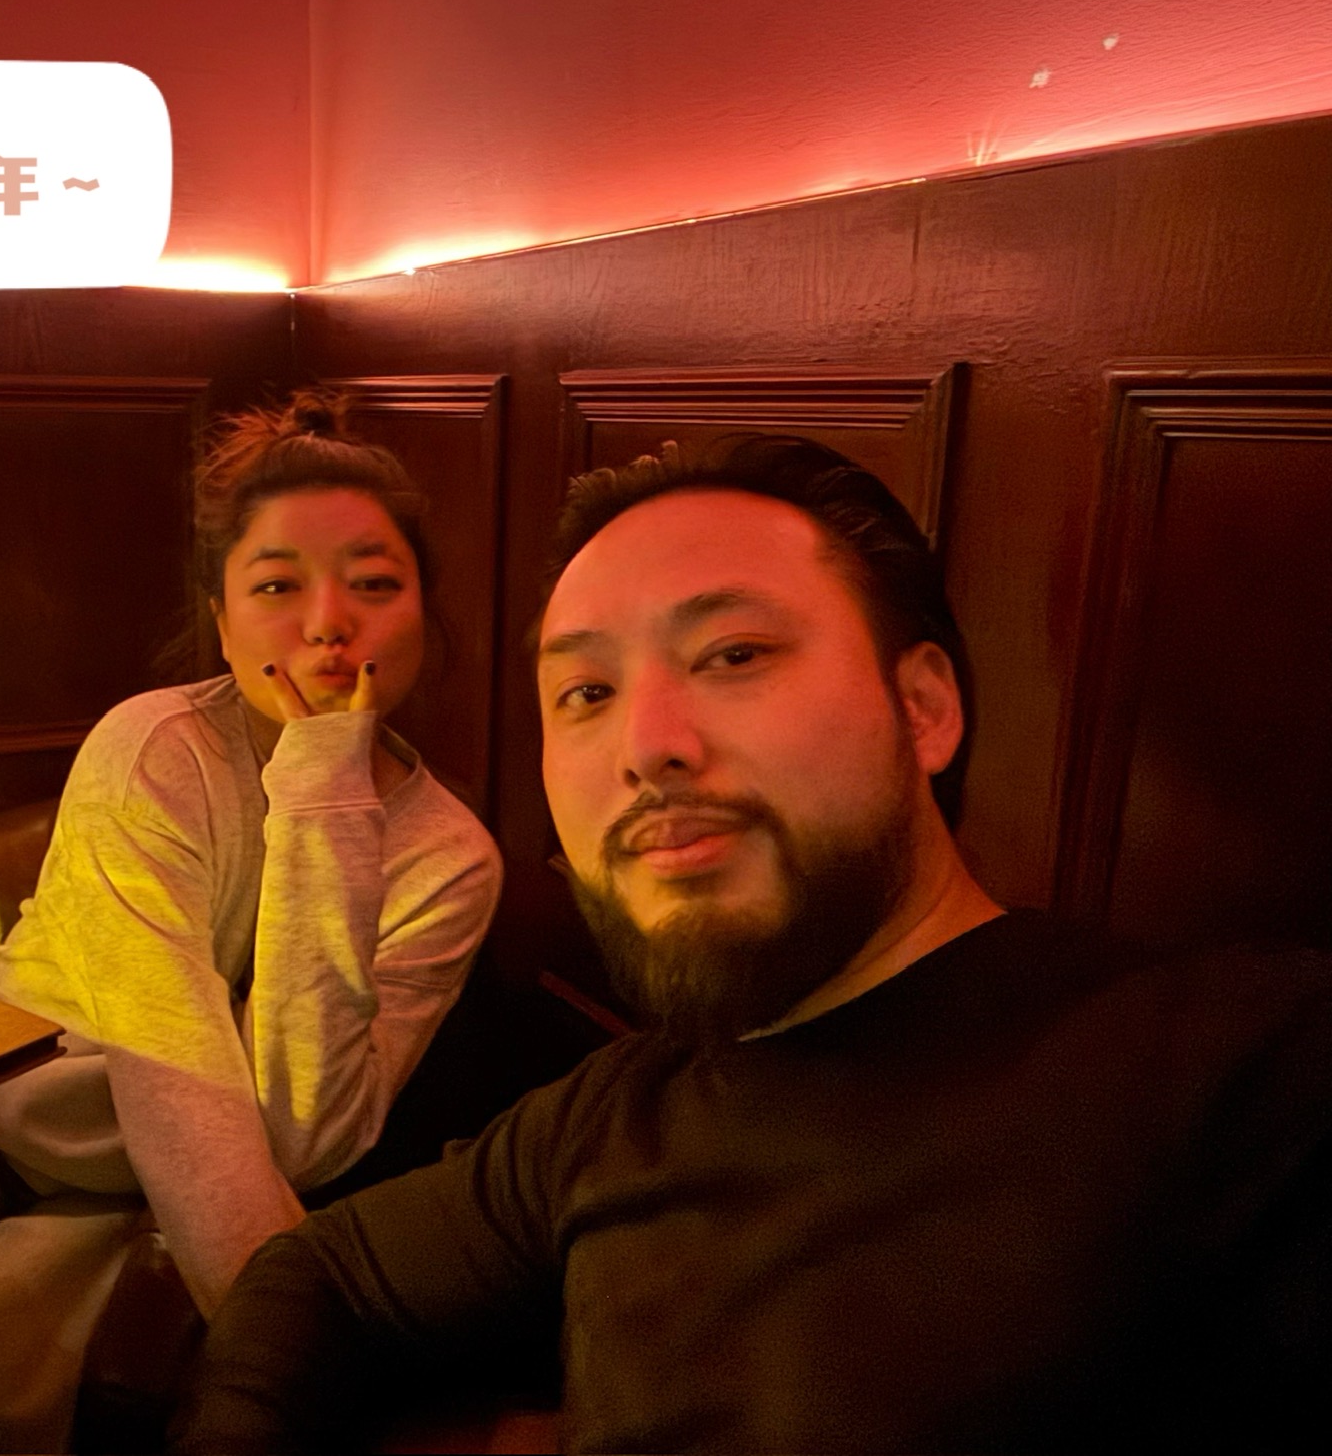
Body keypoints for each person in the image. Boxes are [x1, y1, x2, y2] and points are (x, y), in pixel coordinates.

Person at [175, 435, 1332, 1453]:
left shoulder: (1238, 1069)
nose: (647, 745)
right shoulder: (610, 1114)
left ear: (923, 707)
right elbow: (311, 1278)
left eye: (731, 655)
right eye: (584, 692)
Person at [0, 390, 503, 1454]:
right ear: (220, 619)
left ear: (422, 617)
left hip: (165, 1185)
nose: (326, 623)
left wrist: (322, 785)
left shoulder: (451, 859)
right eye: (276, 586)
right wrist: (296, 1356)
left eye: (372, 583)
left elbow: (304, 1134)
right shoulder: (154, 748)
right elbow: (162, 1049)